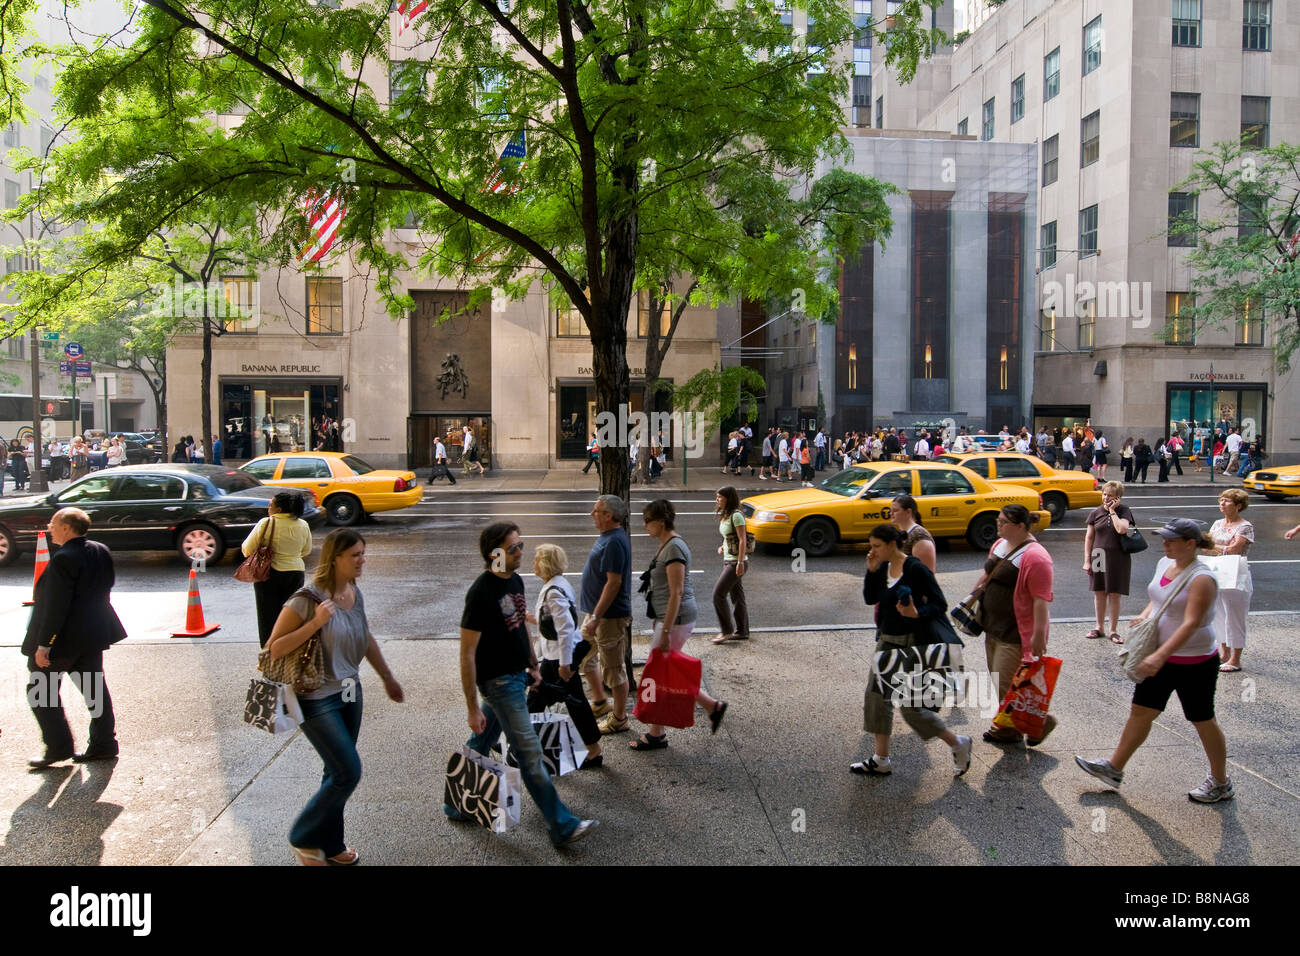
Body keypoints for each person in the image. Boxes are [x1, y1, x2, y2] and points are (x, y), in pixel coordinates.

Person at [449, 522, 597, 847]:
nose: (521, 552)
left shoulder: (514, 580)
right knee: (529, 754)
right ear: (495, 554)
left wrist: (532, 662)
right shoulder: (481, 593)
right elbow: (466, 653)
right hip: (498, 682)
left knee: (481, 740)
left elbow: (518, 626)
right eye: (514, 547)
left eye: (521, 545)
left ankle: (455, 803)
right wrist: (472, 706)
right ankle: (561, 825)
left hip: (516, 675)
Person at [1075, 518, 1233, 804]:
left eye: (1171, 540)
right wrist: (1146, 615)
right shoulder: (1165, 564)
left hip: (1194, 662)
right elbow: (1160, 597)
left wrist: (1160, 655)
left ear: (1191, 543)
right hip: (1160, 657)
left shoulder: (1202, 578)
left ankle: (1221, 782)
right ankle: (1114, 769)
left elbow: (1191, 623)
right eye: (1164, 539)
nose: (1165, 544)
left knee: (1202, 719)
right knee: (1141, 711)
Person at [270, 529, 404, 864]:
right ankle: (302, 836)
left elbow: (365, 634)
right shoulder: (306, 599)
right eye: (355, 555)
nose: (362, 560)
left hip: (348, 690)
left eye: (363, 553)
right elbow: (275, 648)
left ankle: (331, 846)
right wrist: (315, 623)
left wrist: (387, 676)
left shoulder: (353, 591)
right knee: (348, 771)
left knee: (335, 771)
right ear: (335, 558)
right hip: (315, 696)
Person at [854, 524, 972, 777]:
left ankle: (958, 743)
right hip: (887, 640)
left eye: (876, 546)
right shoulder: (882, 567)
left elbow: (940, 604)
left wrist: (917, 612)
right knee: (876, 698)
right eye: (871, 546)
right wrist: (871, 571)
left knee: (912, 708)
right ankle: (881, 759)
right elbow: (869, 598)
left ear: (892, 544)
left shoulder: (915, 568)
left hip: (915, 644)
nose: (871, 551)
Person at [23, 507, 127, 768]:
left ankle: (58, 746)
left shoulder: (63, 559)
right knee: (94, 690)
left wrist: (45, 645)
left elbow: (55, 606)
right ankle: (104, 744)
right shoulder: (100, 550)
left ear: (67, 527)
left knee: (40, 691)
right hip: (92, 635)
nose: (49, 528)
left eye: (53, 524)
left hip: (64, 641)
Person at [632, 499, 728, 750]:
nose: (645, 526)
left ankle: (709, 708)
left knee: (665, 671)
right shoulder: (668, 544)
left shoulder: (674, 548)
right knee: (666, 671)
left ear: (661, 522)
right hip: (670, 619)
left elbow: (676, 592)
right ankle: (659, 731)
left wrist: (665, 630)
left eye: (648, 521)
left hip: (676, 620)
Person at [974, 505, 1056, 746]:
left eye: (1003, 522)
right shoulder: (998, 546)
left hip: (1015, 633)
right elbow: (988, 575)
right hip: (993, 626)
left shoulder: (1036, 556)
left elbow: (1041, 599)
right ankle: (1016, 726)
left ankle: (1025, 726)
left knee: (1006, 685)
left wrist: (1038, 636)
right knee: (1004, 681)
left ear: (1020, 525)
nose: (998, 525)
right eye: (998, 520)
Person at [525, 543, 603, 768]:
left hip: (558, 659)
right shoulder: (558, 584)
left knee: (535, 702)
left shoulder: (553, 591)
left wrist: (565, 664)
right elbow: (555, 623)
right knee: (574, 703)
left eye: (536, 560)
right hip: (558, 657)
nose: (533, 564)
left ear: (545, 564)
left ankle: (519, 745)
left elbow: (566, 629)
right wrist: (533, 619)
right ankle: (593, 750)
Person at [579, 495, 633, 735]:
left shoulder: (613, 542)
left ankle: (619, 719)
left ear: (608, 516)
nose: (592, 514)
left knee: (613, 669)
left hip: (608, 618)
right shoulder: (608, 537)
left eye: (596, 511)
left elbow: (614, 584)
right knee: (583, 656)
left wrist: (597, 617)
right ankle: (601, 703)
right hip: (596, 614)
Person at [242, 490, 314, 647]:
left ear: (279, 509)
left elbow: (247, 549)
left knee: (267, 616)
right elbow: (306, 550)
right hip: (295, 574)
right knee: (291, 614)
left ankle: (268, 653)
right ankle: (289, 649)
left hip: (269, 574)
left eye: (270, 505)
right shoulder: (303, 524)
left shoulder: (266, 523)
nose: (268, 508)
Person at [1206, 489, 1253, 673]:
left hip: (1235, 573)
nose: (1222, 504)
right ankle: (1223, 653)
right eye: (1221, 500)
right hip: (1217, 571)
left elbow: (1235, 549)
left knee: (1235, 616)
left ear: (1238, 505)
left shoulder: (1244, 526)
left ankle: (1236, 658)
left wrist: (1216, 548)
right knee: (1217, 613)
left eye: (1227, 501)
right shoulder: (1218, 523)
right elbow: (1205, 547)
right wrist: (1222, 548)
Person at [1084, 481, 1134, 644]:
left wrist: (1112, 511)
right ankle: (1099, 627)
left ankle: (1113, 630)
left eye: (1110, 495)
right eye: (1104, 494)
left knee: (1114, 593)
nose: (1105, 497)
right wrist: (1087, 560)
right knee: (1099, 592)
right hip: (1098, 555)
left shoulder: (1124, 511)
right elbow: (1089, 537)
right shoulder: (1095, 513)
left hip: (1118, 557)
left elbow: (1121, 529)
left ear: (1117, 498)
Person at [711, 486, 751, 645]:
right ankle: (742, 631)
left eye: (720, 497)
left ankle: (726, 631)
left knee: (718, 594)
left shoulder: (736, 516)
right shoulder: (726, 515)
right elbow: (729, 536)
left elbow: (742, 539)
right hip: (729, 559)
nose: (717, 500)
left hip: (736, 562)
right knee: (737, 597)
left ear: (728, 498)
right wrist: (723, 546)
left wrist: (740, 562)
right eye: (717, 497)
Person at [889, 494, 936, 572]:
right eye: (891, 510)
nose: (891, 513)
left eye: (895, 510)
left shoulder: (919, 536)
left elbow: (926, 574)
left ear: (908, 512)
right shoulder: (900, 533)